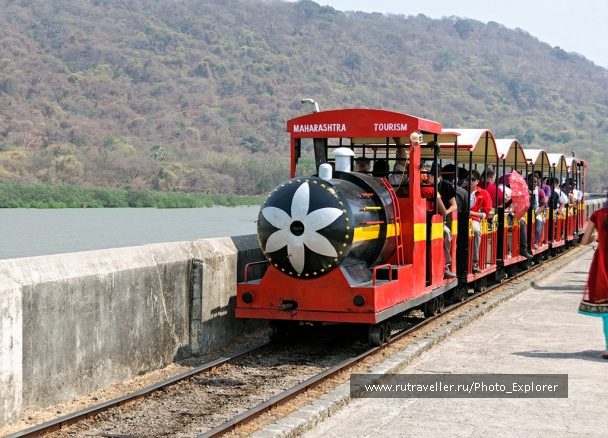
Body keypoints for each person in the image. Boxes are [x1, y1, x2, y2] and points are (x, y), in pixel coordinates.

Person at [579, 206, 608, 359]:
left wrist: (596, 236)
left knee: (606, 307)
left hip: (603, 262)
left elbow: (584, 241)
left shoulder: (598, 215)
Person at [426, 162, 457, 279]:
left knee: (447, 233)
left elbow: (454, 206)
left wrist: (443, 214)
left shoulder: (446, 186)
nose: (425, 178)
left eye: (428, 175)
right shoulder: (423, 186)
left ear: (435, 176)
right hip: (423, 221)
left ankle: (446, 266)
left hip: (438, 222)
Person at [462, 169, 492, 273]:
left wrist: (471, 213)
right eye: (468, 179)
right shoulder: (462, 191)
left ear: (477, 181)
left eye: (473, 179)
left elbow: (485, 214)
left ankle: (474, 262)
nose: (470, 181)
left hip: (474, 220)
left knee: (475, 231)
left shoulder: (483, 193)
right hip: (460, 219)